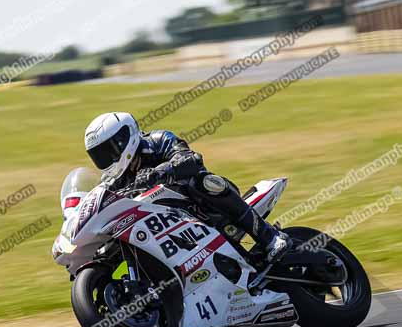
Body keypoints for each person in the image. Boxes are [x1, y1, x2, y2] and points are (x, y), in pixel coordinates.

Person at [84, 112, 291, 263]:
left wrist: (160, 173)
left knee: (203, 181)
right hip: (165, 228)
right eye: (98, 156)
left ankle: (269, 237)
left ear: (123, 139)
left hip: (204, 207)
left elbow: (191, 159)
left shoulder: (158, 141)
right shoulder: (114, 179)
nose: (105, 160)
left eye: (107, 151)